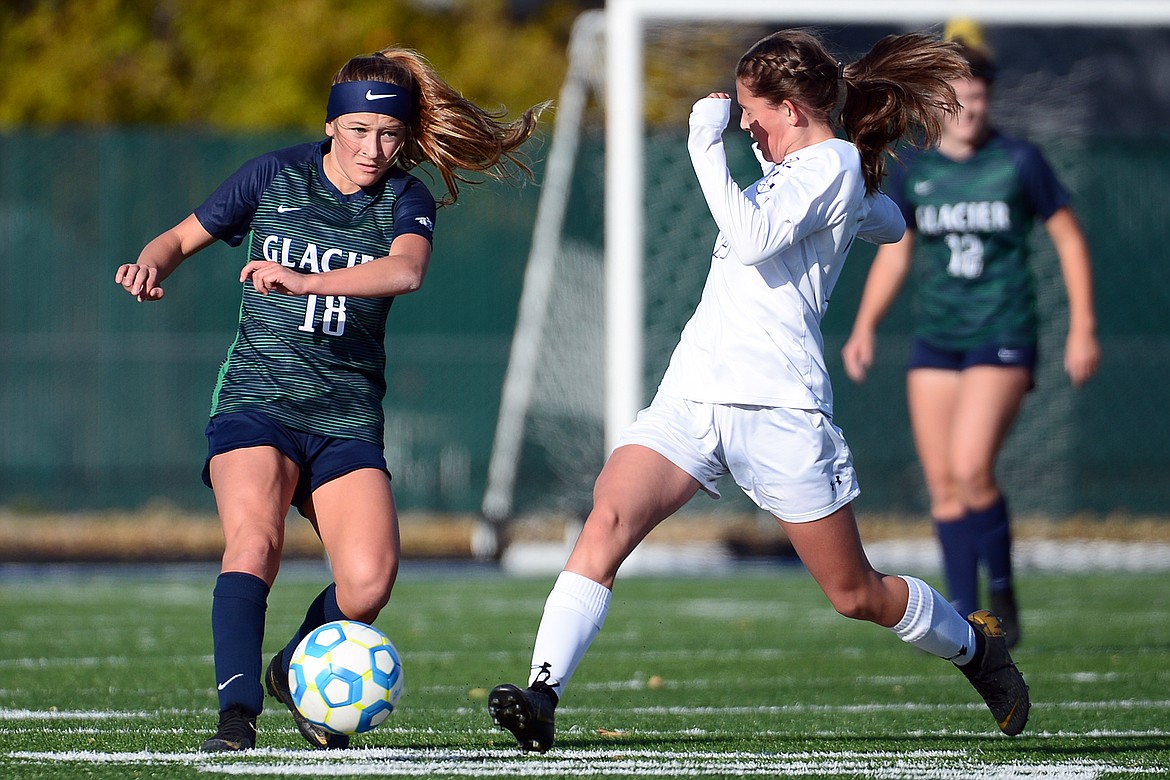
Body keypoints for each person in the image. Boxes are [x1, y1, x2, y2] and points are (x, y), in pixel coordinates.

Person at [487, 29, 1031, 754]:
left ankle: (974, 647)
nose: (743, 124)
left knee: (855, 594)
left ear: (792, 108)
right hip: (694, 395)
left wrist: (703, 144)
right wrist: (859, 210)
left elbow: (753, 238)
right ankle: (543, 693)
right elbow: (891, 221)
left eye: (753, 111)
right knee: (606, 521)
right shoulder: (808, 175)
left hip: (779, 410)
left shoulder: (832, 161)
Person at [115, 47, 544, 752]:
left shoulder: (405, 198)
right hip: (259, 402)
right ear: (330, 126)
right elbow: (179, 237)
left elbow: (405, 272)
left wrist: (307, 282)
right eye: (359, 132)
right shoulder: (274, 175)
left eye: (390, 135)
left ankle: (291, 670)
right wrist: (149, 265)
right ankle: (237, 717)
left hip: (345, 417)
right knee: (254, 542)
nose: (375, 149)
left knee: (370, 582)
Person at [840, 38, 1100, 648]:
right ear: (936, 102)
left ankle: (1003, 588)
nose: (971, 108)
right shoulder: (918, 169)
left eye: (980, 96)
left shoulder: (1019, 161)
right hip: (937, 338)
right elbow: (896, 255)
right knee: (943, 481)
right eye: (959, 98)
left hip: (1002, 333)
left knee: (970, 467)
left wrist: (1083, 325)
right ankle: (965, 610)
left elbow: (1068, 238)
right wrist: (865, 327)